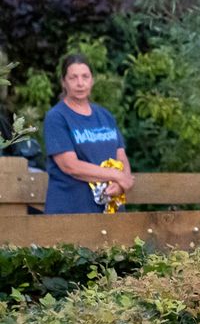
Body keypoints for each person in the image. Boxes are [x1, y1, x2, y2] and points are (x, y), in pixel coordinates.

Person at [42, 53, 134, 214]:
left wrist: (121, 184)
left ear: (92, 80)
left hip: (111, 211)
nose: (80, 83)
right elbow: (70, 166)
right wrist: (115, 175)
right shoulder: (56, 117)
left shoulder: (105, 116)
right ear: (63, 82)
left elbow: (121, 156)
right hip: (71, 212)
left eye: (85, 77)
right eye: (73, 77)